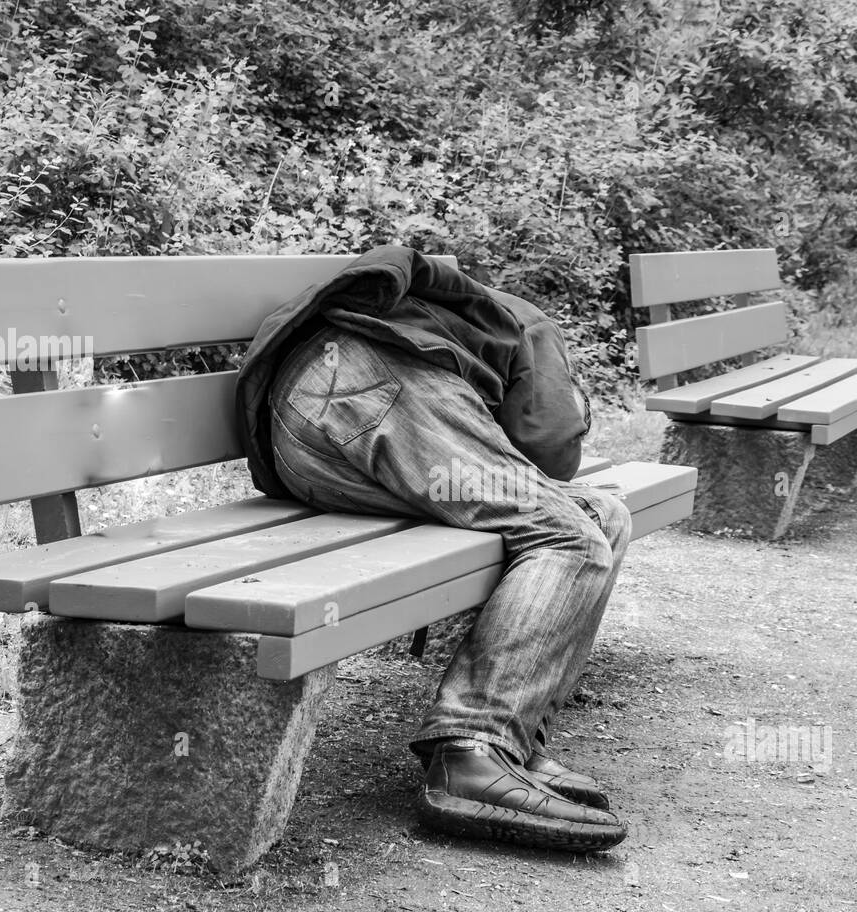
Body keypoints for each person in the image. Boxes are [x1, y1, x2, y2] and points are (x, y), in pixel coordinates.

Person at [236, 246, 631, 852]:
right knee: (567, 536)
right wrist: (573, 411)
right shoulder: (532, 324)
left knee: (604, 514)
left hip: (309, 441)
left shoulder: (463, 312)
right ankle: (472, 750)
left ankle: (514, 741)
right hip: (368, 387)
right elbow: (549, 446)